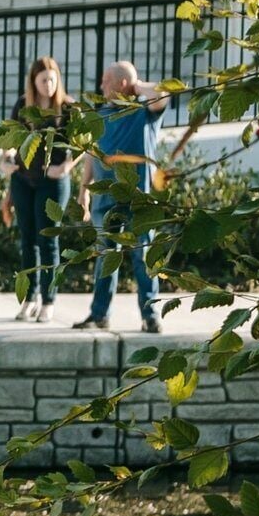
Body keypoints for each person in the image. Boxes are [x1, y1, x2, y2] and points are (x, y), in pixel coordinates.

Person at [77, 56, 173, 334]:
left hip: (138, 198)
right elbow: (91, 154)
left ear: (122, 83)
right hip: (105, 198)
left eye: (107, 81)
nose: (101, 85)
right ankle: (99, 314)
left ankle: (151, 314)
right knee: (106, 257)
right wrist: (84, 191)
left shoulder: (145, 113)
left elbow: (163, 93)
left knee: (143, 256)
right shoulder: (98, 115)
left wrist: (136, 85)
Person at [0, 54, 78, 323]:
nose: (49, 85)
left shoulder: (68, 108)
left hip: (53, 182)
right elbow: (10, 139)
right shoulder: (24, 106)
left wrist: (67, 166)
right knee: (27, 240)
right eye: (44, 80)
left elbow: (84, 144)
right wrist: (6, 159)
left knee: (48, 240)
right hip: (23, 179)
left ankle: (49, 300)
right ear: (34, 81)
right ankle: (29, 298)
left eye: (53, 79)